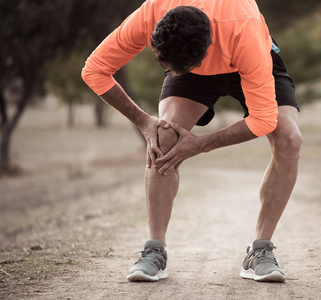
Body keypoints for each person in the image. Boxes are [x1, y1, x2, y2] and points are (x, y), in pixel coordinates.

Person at [82, 0, 302, 283]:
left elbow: (263, 120)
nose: (174, 72)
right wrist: (143, 121)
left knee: (290, 140)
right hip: (196, 60)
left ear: (208, 45)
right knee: (165, 137)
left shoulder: (242, 29)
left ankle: (260, 250)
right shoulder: (151, 12)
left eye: (183, 66)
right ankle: (154, 250)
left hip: (247, 55)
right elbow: (94, 70)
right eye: (167, 65)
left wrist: (200, 144)